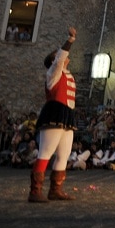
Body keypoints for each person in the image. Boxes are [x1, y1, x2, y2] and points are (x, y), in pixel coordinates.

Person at [29, 27, 78, 202]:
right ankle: (35, 191)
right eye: (58, 56)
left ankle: (55, 190)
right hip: (54, 113)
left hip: (67, 114)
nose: (63, 57)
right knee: (45, 152)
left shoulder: (66, 74)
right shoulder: (53, 73)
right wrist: (70, 40)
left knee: (63, 154)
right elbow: (59, 59)